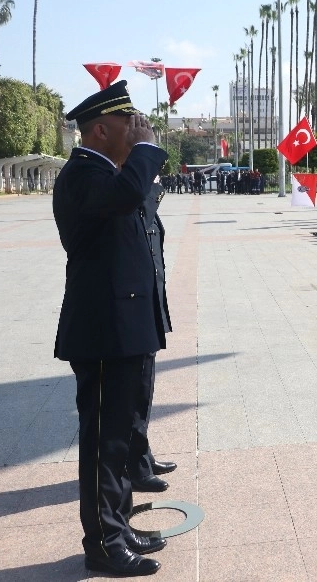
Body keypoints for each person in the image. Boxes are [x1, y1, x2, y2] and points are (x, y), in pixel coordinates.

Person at [55, 81, 169, 576]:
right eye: (131, 124)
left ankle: (117, 526)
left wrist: (138, 153)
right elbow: (125, 196)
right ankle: (102, 542)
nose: (140, 130)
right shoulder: (83, 174)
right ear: (101, 130)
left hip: (122, 327)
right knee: (103, 442)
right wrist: (147, 150)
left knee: (118, 440)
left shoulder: (106, 172)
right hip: (103, 330)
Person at [127, 178, 178, 493]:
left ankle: (142, 455)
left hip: (147, 310)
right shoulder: (129, 198)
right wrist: (148, 186)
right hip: (132, 314)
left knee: (143, 391)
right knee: (133, 394)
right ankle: (135, 465)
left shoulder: (140, 199)